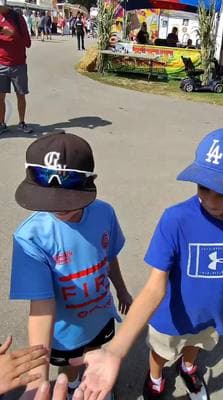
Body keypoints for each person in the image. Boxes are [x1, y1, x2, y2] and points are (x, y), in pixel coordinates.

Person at [68, 127, 223, 400]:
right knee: (160, 353)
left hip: (212, 311)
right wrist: (114, 350)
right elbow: (153, 288)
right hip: (170, 316)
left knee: (197, 343)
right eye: (204, 186)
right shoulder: (175, 220)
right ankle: (155, 378)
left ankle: (189, 367)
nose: (211, 200)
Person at [10, 131, 132, 400]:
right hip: (64, 333)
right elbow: (41, 307)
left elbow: (109, 256)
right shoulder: (30, 237)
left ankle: (93, 381)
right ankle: (74, 385)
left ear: (90, 183)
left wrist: (121, 290)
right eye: (49, 198)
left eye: (67, 199)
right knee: (69, 369)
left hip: (100, 315)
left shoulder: (104, 213)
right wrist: (38, 381)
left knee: (97, 351)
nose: (58, 207)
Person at [0, 0, 33, 134]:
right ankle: (2, 124)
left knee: (21, 95)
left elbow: (28, 43)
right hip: (1, 64)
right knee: (0, 97)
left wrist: (14, 35)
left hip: (18, 64)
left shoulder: (18, 18)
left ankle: (22, 122)